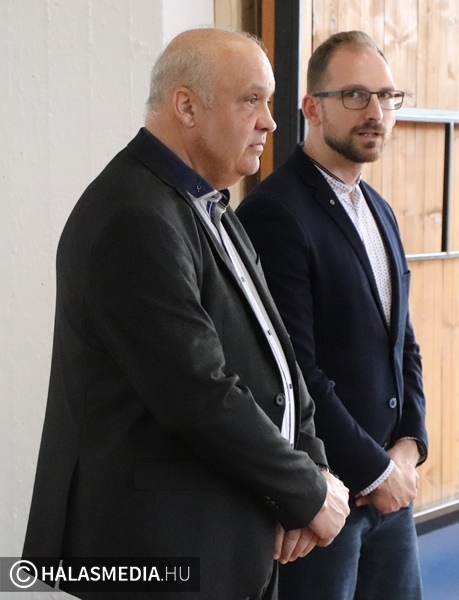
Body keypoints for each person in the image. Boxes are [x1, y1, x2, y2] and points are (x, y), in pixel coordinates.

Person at [22, 28, 349, 600]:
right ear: (187, 107)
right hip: (154, 553)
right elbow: (197, 393)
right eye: (252, 100)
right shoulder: (133, 215)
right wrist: (306, 492)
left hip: (223, 541)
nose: (270, 122)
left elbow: (276, 355)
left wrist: (312, 468)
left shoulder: (207, 203)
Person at [237, 30, 428, 600]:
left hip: (391, 496)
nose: (376, 112)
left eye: (386, 96)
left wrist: (409, 445)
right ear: (312, 108)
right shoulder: (274, 213)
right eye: (355, 95)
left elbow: (403, 342)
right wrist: (375, 470)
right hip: (324, 501)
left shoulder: (379, 210)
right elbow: (293, 370)